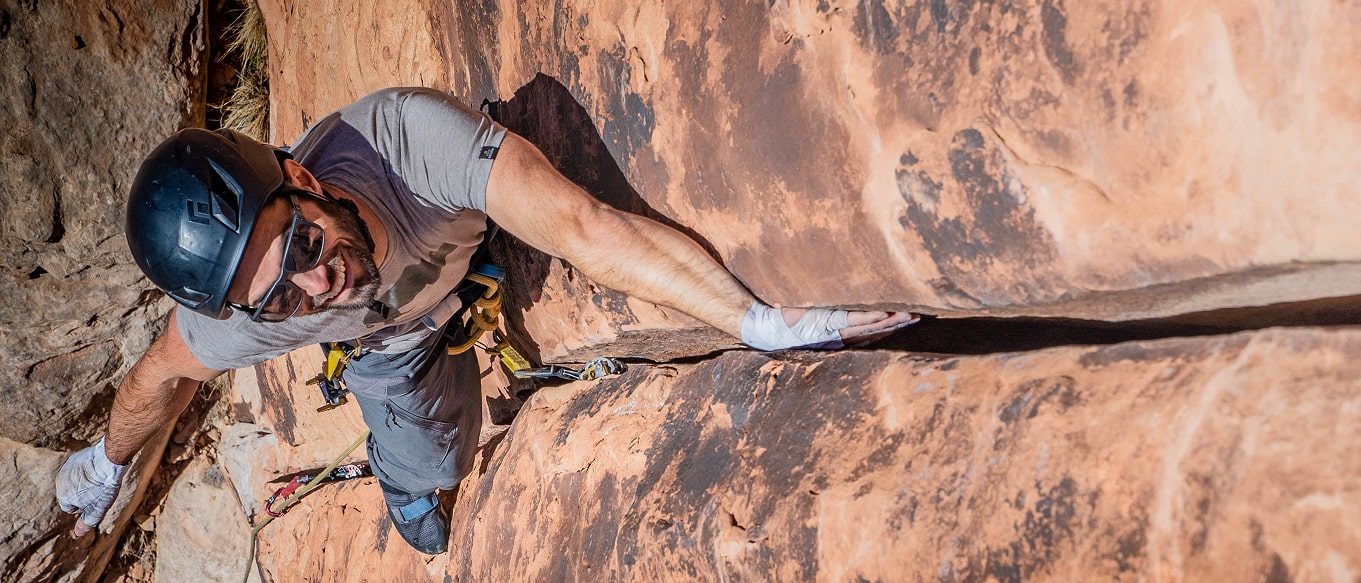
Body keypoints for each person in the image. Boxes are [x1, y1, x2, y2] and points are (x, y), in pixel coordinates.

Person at [55, 87, 916, 554]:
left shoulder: (408, 144)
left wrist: (756, 321)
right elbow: (157, 376)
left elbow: (587, 230)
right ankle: (404, 478)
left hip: (447, 272)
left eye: (304, 244)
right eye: (280, 297)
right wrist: (103, 462)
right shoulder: (247, 314)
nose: (317, 282)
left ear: (302, 176)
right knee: (434, 467)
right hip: (389, 347)